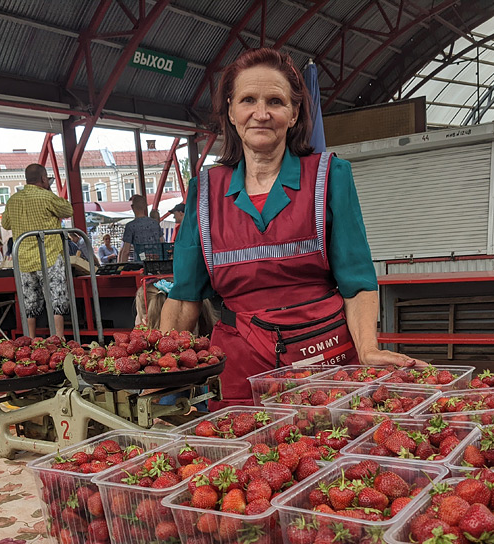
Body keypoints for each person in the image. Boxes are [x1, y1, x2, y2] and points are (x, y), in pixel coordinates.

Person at [160, 48, 425, 407]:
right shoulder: (204, 192)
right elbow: (184, 297)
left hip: (324, 358)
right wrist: (160, 372)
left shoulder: (329, 176)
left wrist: (368, 348)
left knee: (331, 450)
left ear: (295, 112)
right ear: (232, 111)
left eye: (276, 101)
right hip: (241, 365)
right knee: (241, 457)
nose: (261, 113)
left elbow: (357, 280)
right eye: (248, 100)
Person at [1, 163, 73, 339]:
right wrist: (49, 190)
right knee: (56, 296)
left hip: (24, 258)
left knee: (30, 300)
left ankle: (31, 339)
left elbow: (6, 224)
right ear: (43, 179)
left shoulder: (13, 200)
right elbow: (68, 210)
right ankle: (58, 337)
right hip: (48, 254)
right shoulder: (46, 197)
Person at [118, 193, 163, 263]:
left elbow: (126, 251)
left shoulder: (130, 226)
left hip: (141, 264)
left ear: (132, 207)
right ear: (145, 207)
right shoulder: (155, 223)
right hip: (156, 261)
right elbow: (162, 242)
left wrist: (121, 268)